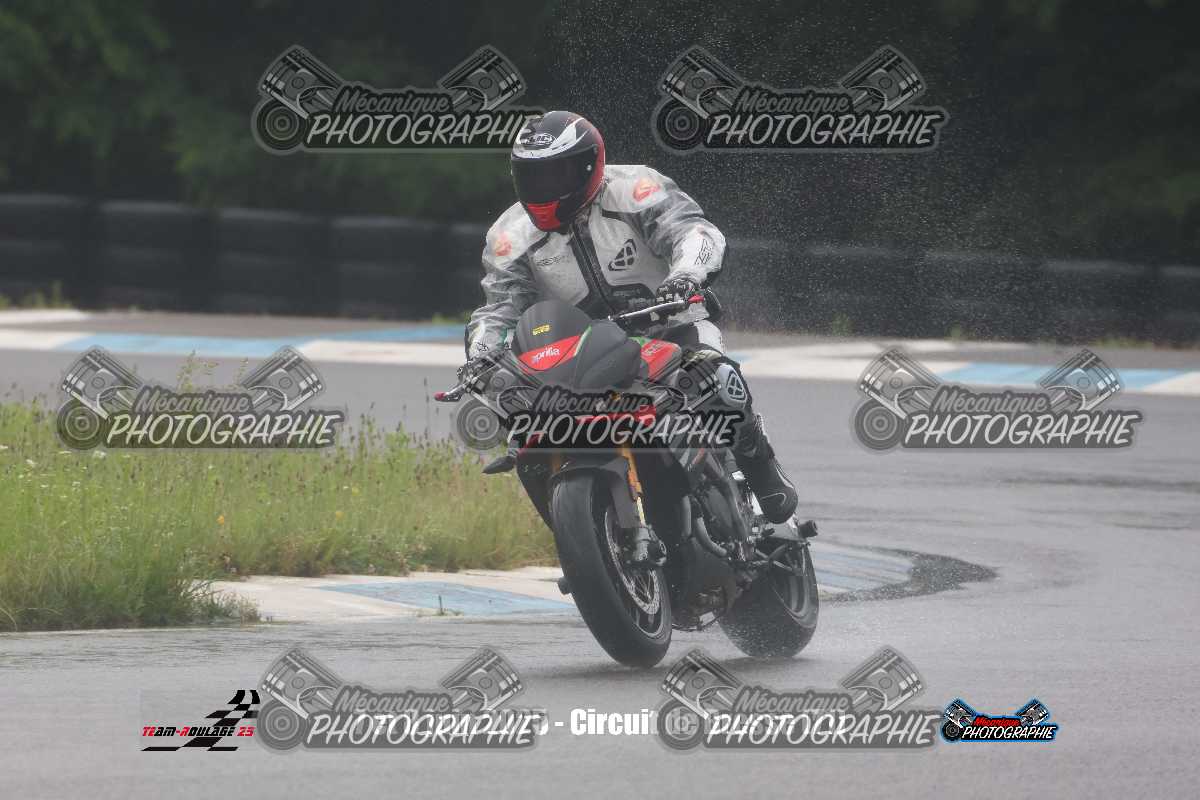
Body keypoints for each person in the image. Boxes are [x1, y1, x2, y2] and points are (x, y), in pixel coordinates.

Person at [464, 110, 798, 523]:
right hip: (579, 355)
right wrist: (482, 356)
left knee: (715, 376)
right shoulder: (509, 235)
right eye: (531, 176)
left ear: (589, 165)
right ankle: (587, 518)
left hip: (671, 325)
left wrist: (685, 276)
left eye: (554, 175)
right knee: (522, 415)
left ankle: (759, 463)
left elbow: (694, 233)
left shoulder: (636, 189)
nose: (542, 188)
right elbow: (499, 307)